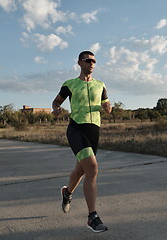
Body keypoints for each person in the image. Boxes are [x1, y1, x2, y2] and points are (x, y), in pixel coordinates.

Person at [52, 51, 112, 233]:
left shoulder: (100, 85)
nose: (92, 63)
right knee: (92, 168)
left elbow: (106, 103)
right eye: (88, 60)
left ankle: (67, 193)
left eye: (94, 60)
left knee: (80, 170)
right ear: (79, 63)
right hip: (76, 129)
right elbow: (56, 102)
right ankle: (92, 217)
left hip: (94, 131)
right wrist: (56, 109)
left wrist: (108, 107)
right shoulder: (70, 84)